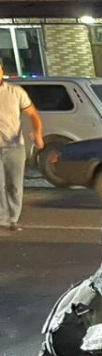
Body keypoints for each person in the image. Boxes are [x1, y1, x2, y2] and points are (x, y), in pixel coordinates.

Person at [0, 62, 43, 232]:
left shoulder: (15, 92)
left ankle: (13, 218)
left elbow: (32, 114)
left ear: (2, 70)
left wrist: (38, 133)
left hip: (14, 146)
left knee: (15, 185)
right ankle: (2, 218)